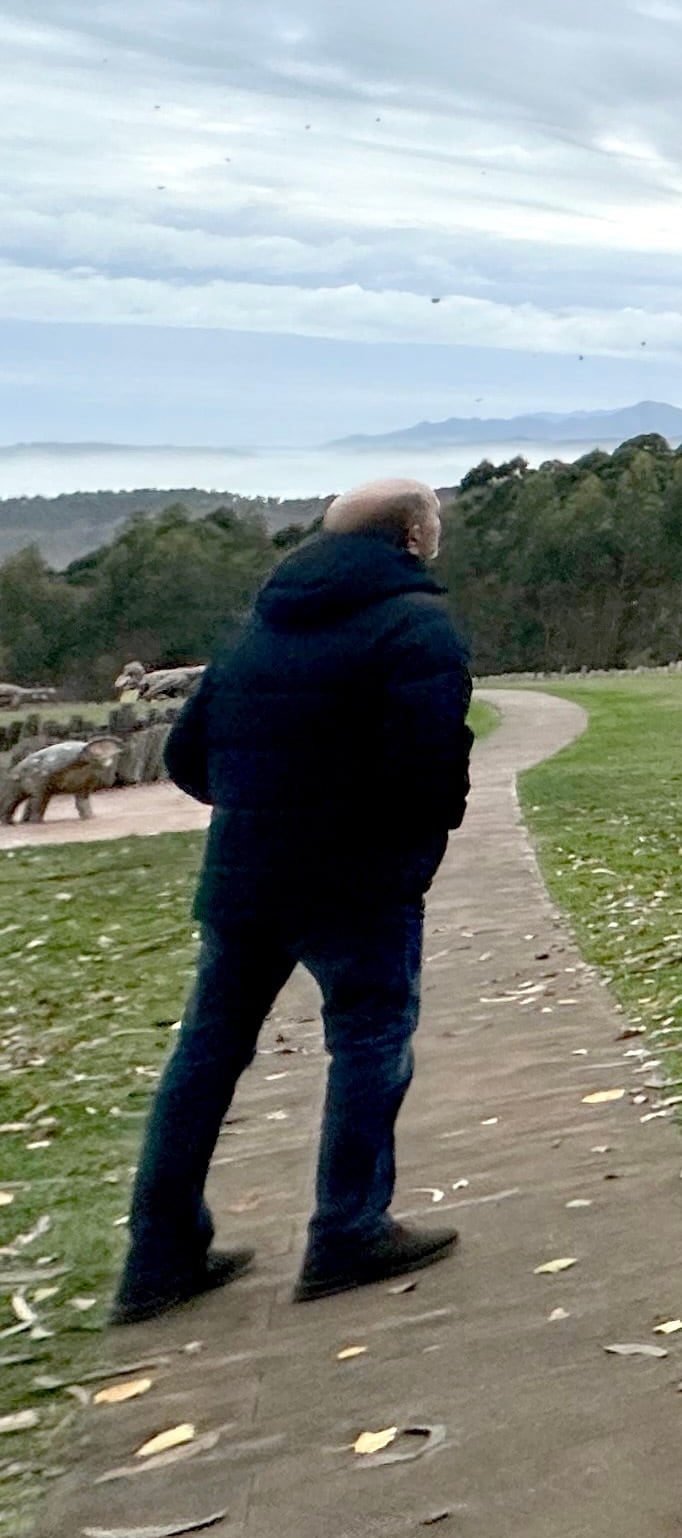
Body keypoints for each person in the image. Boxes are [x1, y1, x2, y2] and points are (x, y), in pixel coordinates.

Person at [116, 477, 473, 1323]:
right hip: (360, 882)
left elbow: (188, 755)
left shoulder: (257, 629)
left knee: (206, 1057)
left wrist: (260, 808)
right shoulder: (416, 624)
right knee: (369, 1040)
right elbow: (430, 767)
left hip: (248, 875)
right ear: (414, 536)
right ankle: (347, 1229)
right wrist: (413, 849)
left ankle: (159, 1255)